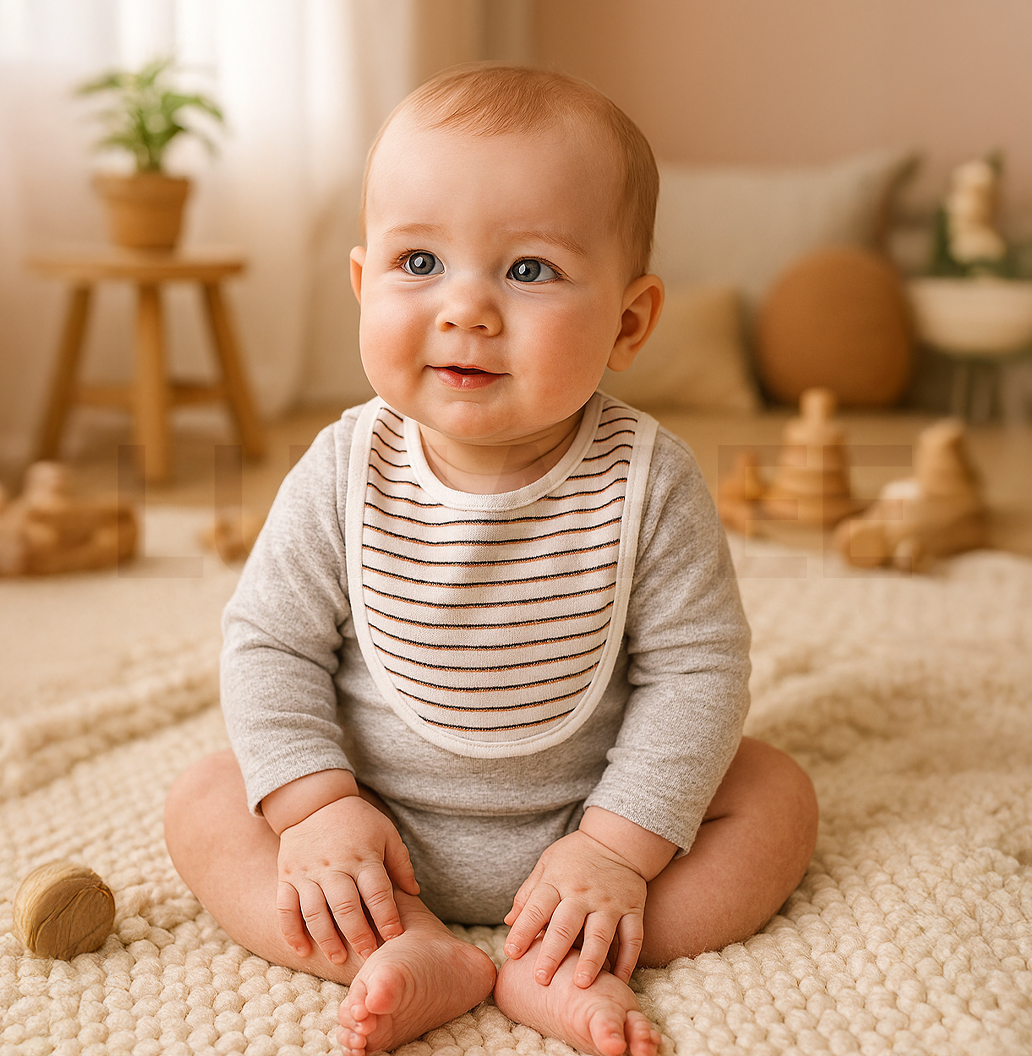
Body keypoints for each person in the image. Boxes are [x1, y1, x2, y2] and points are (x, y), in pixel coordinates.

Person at [165, 63, 818, 1056]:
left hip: (589, 828)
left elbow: (698, 671)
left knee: (776, 798)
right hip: (371, 829)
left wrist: (617, 848)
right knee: (207, 801)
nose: (465, 308)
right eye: (420, 262)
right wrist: (317, 807)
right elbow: (270, 644)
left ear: (630, 322)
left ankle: (560, 964)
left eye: (529, 271)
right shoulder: (343, 469)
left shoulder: (651, 482)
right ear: (362, 283)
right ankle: (407, 945)